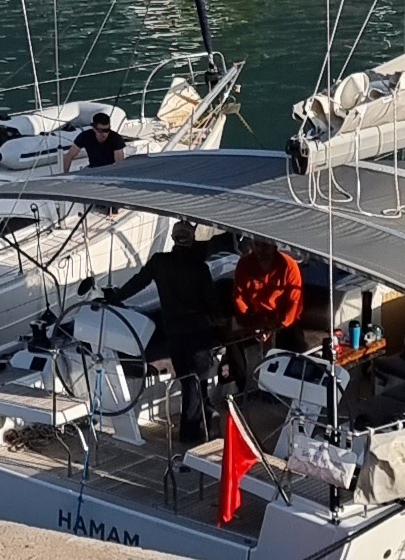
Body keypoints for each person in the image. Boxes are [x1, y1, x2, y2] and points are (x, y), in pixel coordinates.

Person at [105, 221, 223, 442]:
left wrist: (115, 298)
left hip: (175, 333)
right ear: (192, 239)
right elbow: (213, 305)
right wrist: (221, 325)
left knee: (189, 380)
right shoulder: (200, 268)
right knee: (196, 382)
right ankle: (190, 432)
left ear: (173, 238)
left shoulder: (159, 262)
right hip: (199, 334)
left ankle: (204, 421)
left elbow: (137, 283)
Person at [228, 238, 305, 389]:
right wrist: (252, 324)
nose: (261, 249)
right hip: (253, 318)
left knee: (295, 342)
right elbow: (238, 298)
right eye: (257, 244)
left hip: (281, 321)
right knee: (232, 342)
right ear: (252, 245)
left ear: (274, 246)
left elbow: (295, 304)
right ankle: (243, 389)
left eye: (265, 245)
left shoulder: (289, 266)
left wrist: (275, 327)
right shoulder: (244, 264)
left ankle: (289, 387)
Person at [64, 111, 129, 172]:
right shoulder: (85, 136)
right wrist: (66, 174)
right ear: (94, 129)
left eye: (106, 130)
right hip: (93, 168)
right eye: (100, 131)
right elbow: (69, 156)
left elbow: (119, 165)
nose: (104, 134)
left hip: (110, 169)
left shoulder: (116, 138)